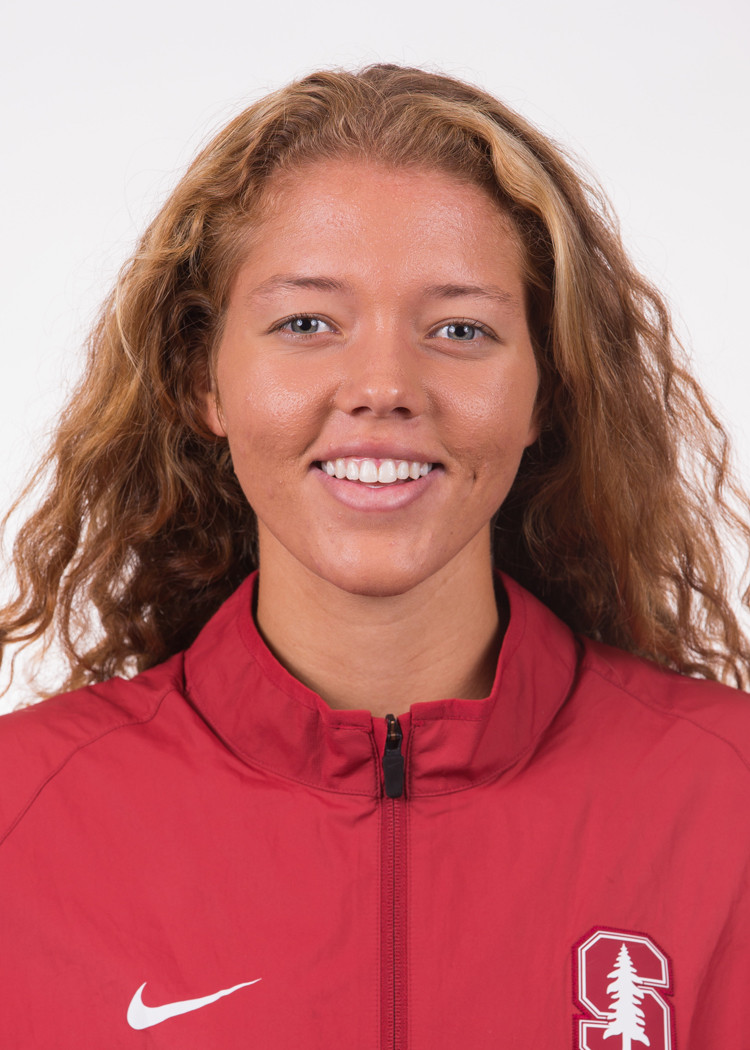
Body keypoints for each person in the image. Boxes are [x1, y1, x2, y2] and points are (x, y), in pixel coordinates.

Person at [0, 63, 749, 1048]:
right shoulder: (21, 817)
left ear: (548, 390)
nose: (384, 385)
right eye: (307, 324)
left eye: (460, 328)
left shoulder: (729, 803)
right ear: (201, 379)